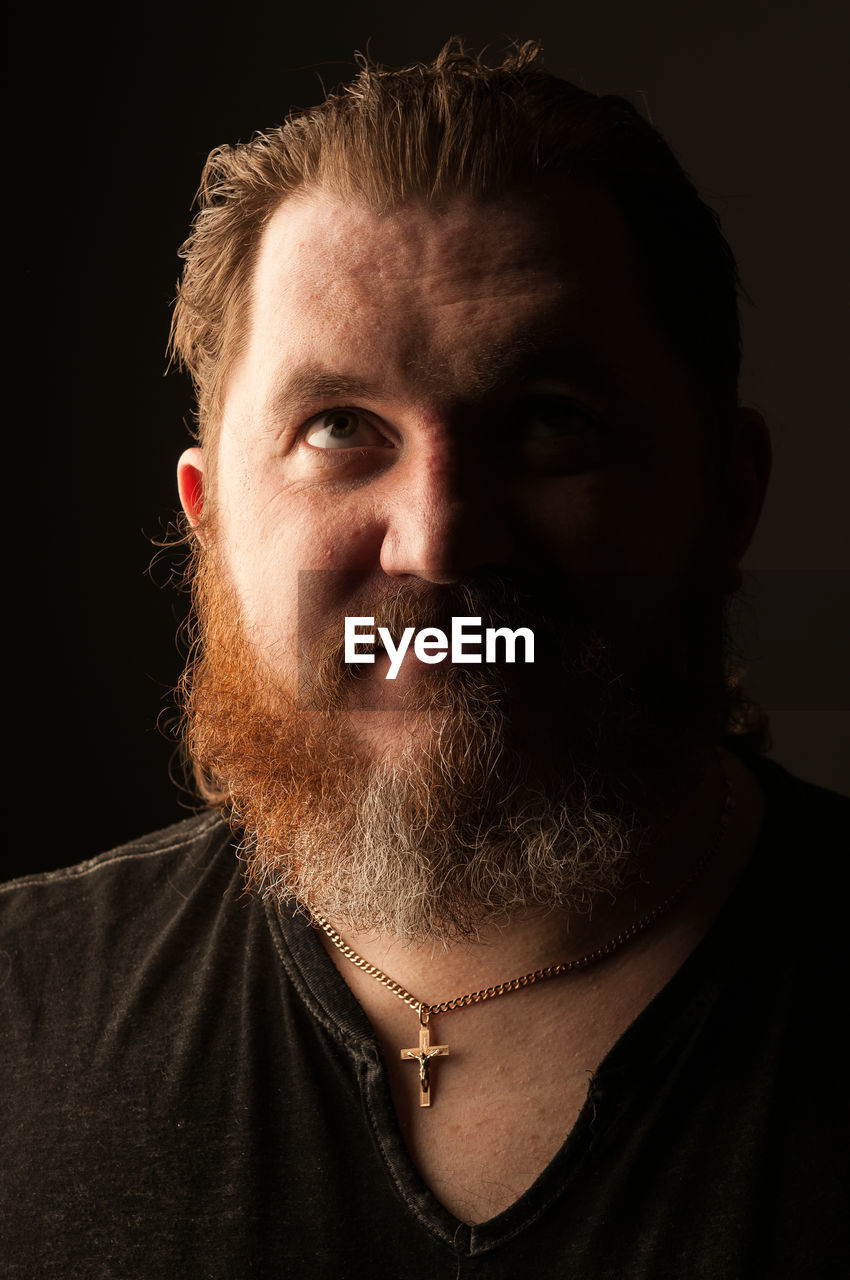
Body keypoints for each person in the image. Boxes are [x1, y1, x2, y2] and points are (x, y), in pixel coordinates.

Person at [2, 39, 846, 1279]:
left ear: (728, 499)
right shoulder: (20, 1013)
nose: (442, 541)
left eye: (549, 421)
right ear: (209, 519)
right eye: (340, 428)